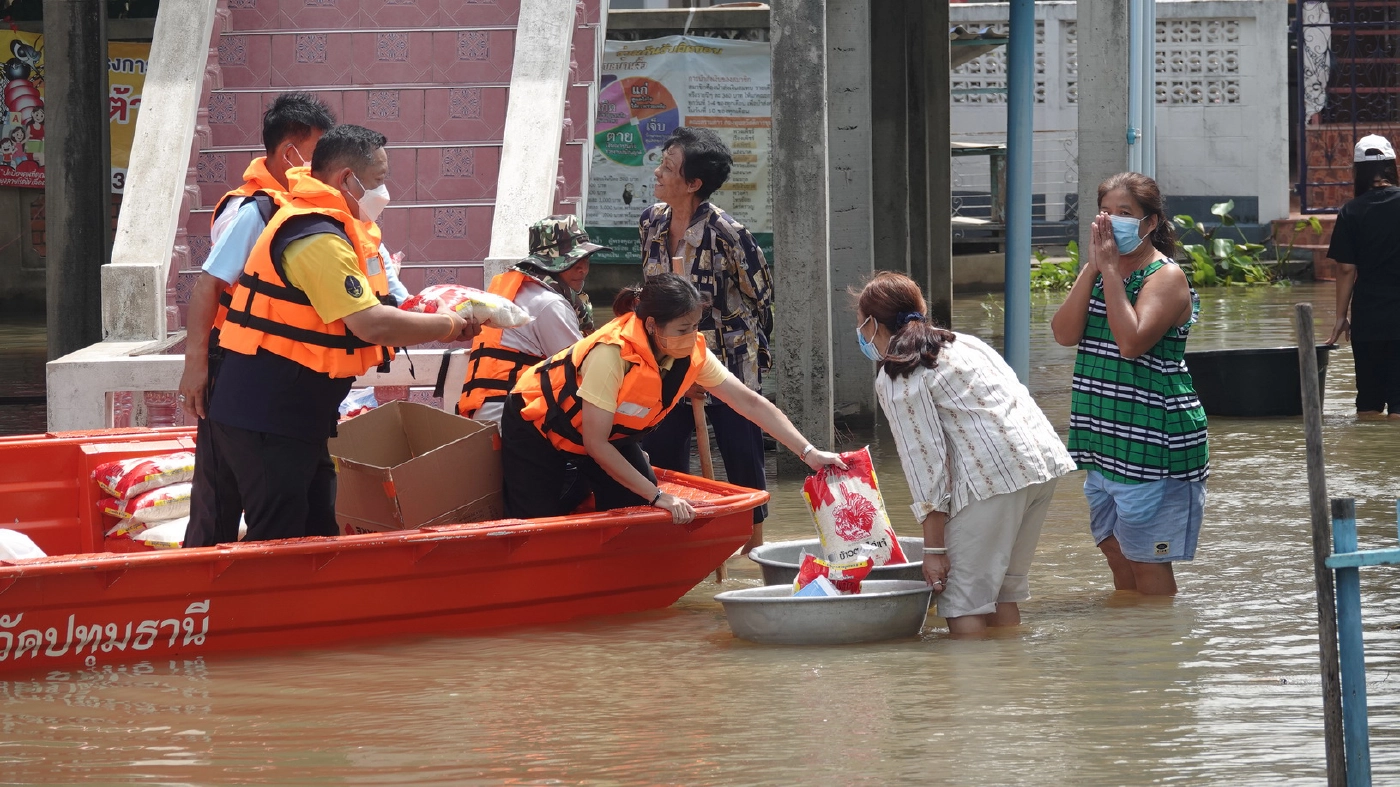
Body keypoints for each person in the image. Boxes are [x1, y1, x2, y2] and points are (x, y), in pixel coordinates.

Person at [188, 125, 477, 545]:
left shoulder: (342, 229)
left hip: (297, 414)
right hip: (266, 413)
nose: (384, 192)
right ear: (347, 179)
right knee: (279, 538)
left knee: (316, 527)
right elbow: (370, 323)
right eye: (378, 180)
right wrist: (450, 326)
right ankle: (252, 610)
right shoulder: (315, 237)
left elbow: (385, 305)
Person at [501, 273, 843, 524]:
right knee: (537, 522)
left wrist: (809, 453)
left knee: (640, 513)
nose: (692, 337)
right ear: (651, 325)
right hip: (538, 425)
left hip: (607, 436)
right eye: (683, 329)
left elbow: (749, 403)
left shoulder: (692, 352)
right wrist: (659, 495)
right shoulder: (612, 354)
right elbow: (596, 443)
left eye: (695, 326)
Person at [857, 272, 1074, 636]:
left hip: (994, 480)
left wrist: (934, 550)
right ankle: (1012, 682)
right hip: (1040, 465)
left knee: (962, 603)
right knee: (1002, 594)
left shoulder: (899, 372)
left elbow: (924, 464)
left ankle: (971, 690)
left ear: (871, 324)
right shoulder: (965, 343)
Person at [1051, 172, 1209, 597]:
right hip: (1105, 438)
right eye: (1108, 213)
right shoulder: (1101, 272)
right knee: (1113, 547)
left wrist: (1112, 274)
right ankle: (1125, 649)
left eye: (1127, 214)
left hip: (1155, 442)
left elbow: (1131, 343)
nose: (1115, 222)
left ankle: (1157, 654)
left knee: (1148, 559)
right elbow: (1064, 334)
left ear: (1150, 222)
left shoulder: (1165, 276)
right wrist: (1094, 267)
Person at [636, 127, 775, 549]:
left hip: (727, 360)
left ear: (694, 183)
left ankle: (755, 547)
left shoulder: (729, 234)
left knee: (741, 451)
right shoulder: (651, 223)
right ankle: (675, 543)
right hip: (669, 359)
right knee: (661, 448)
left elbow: (761, 299)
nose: (658, 172)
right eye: (661, 162)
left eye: (669, 167)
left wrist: (730, 354)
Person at [458, 215, 609, 422]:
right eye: (574, 261)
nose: (583, 268)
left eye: (586, 259)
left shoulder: (519, 290)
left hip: (491, 412)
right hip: (513, 418)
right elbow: (582, 374)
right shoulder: (549, 304)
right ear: (549, 263)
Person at [1327, 134, 1400, 419]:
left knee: (1368, 401)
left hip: (1368, 317)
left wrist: (1340, 316)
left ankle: (1367, 460)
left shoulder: (1351, 211)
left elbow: (1346, 269)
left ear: (1357, 172)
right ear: (1392, 166)